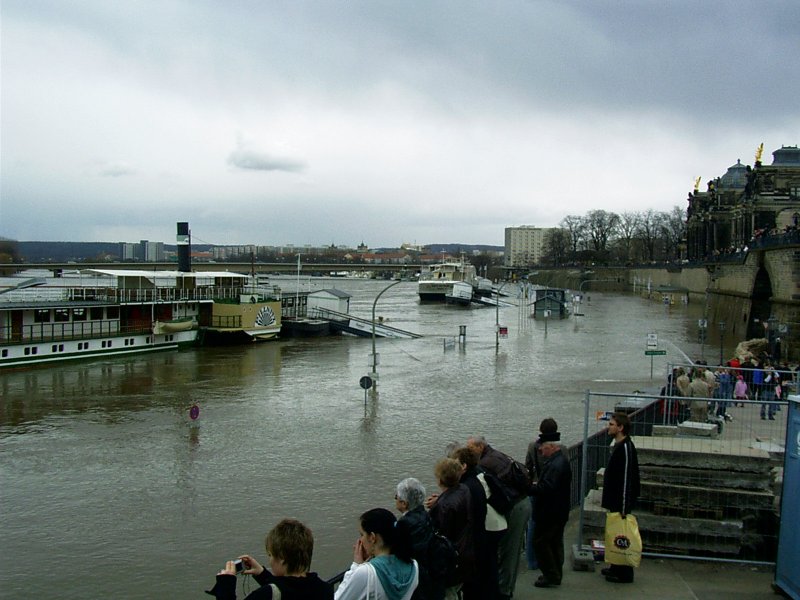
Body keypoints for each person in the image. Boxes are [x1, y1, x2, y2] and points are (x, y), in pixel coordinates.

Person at [466, 435, 531, 600]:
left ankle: (504, 593)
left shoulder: (485, 464)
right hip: (519, 502)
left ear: (480, 447)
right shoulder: (495, 455)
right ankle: (502, 589)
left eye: (471, 447)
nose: (468, 450)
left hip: (516, 506)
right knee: (507, 550)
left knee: (509, 551)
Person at [206, 518, 333, 599]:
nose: (270, 561)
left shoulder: (264, 595)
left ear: (282, 557)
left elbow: (278, 592)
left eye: (271, 555)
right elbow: (291, 589)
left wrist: (226, 586)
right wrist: (262, 574)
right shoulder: (325, 589)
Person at [451, 445, 504, 599]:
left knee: (478, 581)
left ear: (464, 466)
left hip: (477, 539)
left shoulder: (467, 487)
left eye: (456, 464)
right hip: (488, 532)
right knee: (489, 572)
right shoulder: (477, 478)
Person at [335, 508, 419, 600]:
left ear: (372, 537)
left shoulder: (366, 573)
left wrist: (356, 566)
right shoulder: (413, 566)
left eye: (362, 535)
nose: (360, 541)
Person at [427, 457, 475, 600]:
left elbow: (442, 534)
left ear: (440, 479)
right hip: (467, 550)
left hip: (453, 558)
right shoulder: (464, 489)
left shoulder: (445, 507)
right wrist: (441, 498)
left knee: (449, 593)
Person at [601, 413, 640, 584]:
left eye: (611, 424)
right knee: (616, 533)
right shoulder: (619, 445)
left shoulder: (625, 448)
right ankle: (615, 566)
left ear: (620, 428)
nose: (608, 427)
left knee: (622, 535)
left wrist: (624, 507)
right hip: (615, 499)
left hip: (620, 501)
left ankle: (624, 573)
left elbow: (626, 479)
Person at [530, 438, 571, 588]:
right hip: (558, 510)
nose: (540, 450)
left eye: (543, 447)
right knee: (554, 542)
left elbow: (546, 488)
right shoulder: (559, 461)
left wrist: (529, 488)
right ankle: (554, 573)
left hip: (550, 512)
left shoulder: (555, 465)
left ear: (552, 447)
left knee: (541, 542)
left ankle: (550, 575)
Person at [395, 478, 439, 600]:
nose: (395, 499)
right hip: (430, 571)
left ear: (404, 503)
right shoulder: (424, 514)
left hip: (416, 577)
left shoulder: (404, 524)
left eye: (396, 497)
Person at [524, 418, 559, 570]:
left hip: (536, 488)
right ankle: (552, 559)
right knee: (552, 525)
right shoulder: (560, 449)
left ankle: (532, 561)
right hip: (553, 492)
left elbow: (527, 468)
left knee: (533, 524)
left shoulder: (532, 447)